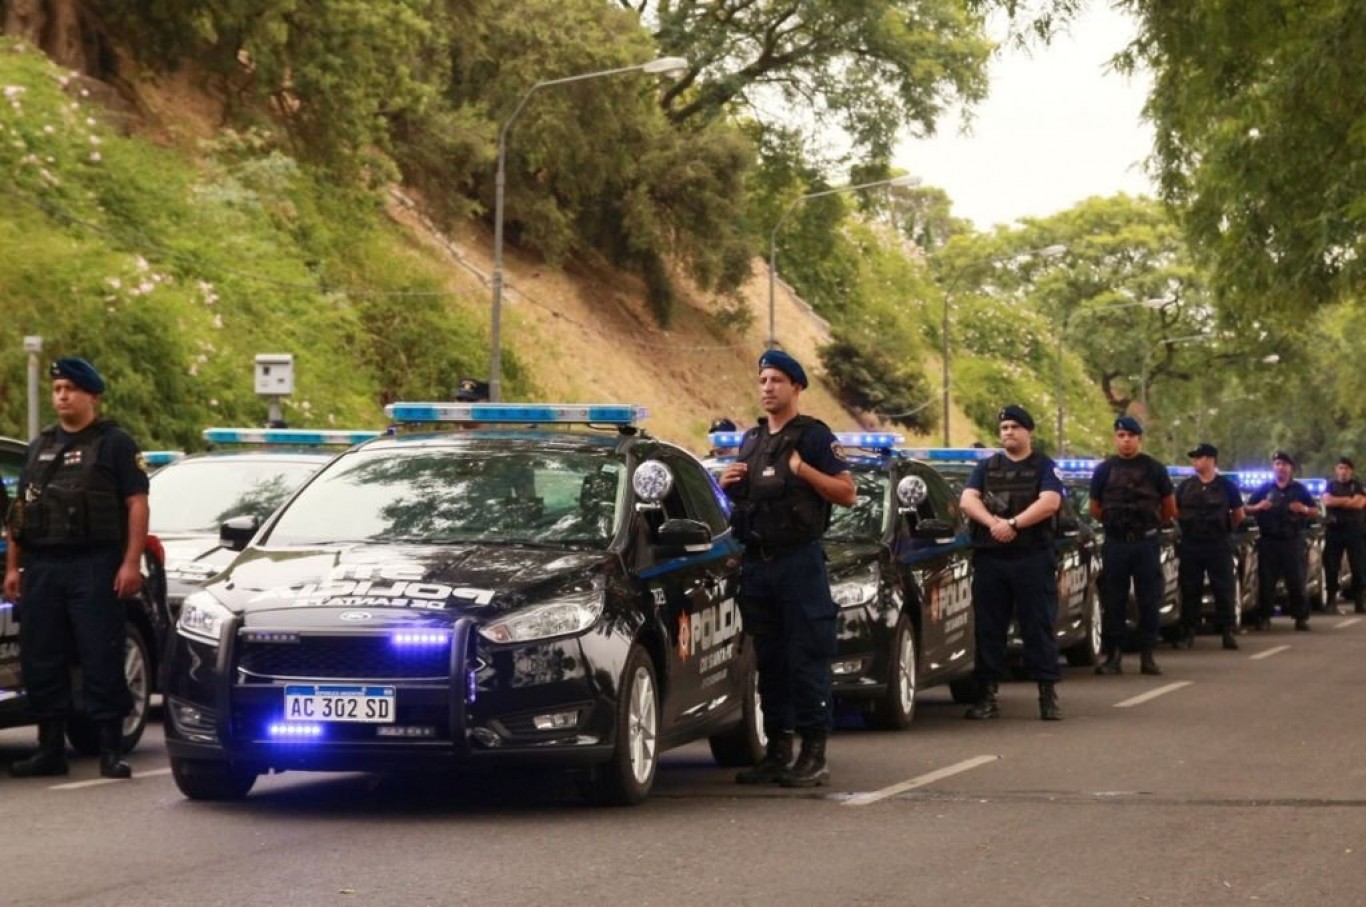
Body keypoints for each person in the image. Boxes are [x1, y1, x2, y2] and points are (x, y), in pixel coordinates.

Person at [5, 358, 149, 779]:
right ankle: (49, 749)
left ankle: (110, 749)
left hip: (95, 563)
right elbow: (21, 510)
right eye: (57, 389)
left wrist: (130, 562)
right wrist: (14, 567)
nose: (62, 395)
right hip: (45, 565)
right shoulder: (39, 446)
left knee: (101, 653)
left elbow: (136, 503)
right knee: (41, 656)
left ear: (93, 396)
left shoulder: (114, 444)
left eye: (70, 388)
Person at [719, 349, 855, 788]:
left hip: (799, 564)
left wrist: (804, 472)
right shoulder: (752, 440)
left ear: (796, 386)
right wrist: (726, 484)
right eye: (762, 380)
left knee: (807, 660)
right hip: (759, 565)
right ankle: (778, 751)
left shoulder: (813, 437)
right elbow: (741, 500)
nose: (767, 388)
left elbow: (846, 492)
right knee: (770, 661)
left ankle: (814, 754)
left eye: (777, 380)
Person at [959, 404, 1065, 721]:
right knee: (989, 628)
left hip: (1032, 557)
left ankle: (1047, 695)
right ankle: (987, 696)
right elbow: (967, 499)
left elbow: (1050, 502)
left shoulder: (1044, 465)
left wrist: (1014, 524)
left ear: (1027, 431)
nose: (1008, 432)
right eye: (1004, 428)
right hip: (992, 558)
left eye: (1014, 427)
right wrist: (994, 524)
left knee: (1038, 626)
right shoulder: (987, 466)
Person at [1089, 415, 1176, 676]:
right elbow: (1095, 508)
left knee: (1148, 599)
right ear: (1116, 438)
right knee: (1113, 600)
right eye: (1121, 436)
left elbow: (1169, 507)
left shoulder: (1154, 469)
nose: (1125, 440)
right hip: (1116, 543)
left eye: (1130, 436)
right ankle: (1114, 655)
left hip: (1145, 542)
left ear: (1139, 439)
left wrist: (1149, 526)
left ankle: (1147, 655)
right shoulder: (1104, 469)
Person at [1174, 442, 1246, 650]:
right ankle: (1188, 632)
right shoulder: (1186, 486)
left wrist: (1225, 529)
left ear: (1211, 460)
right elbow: (1175, 511)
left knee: (1223, 589)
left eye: (1199, 457)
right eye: (1194, 458)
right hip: (1191, 544)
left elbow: (1239, 514)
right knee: (1190, 589)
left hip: (1218, 543)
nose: (1195, 461)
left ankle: (1227, 631)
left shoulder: (1226, 486)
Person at [1247, 451, 1321, 630]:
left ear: (1291, 468)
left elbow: (1315, 510)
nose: (1280, 468)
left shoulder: (1299, 489)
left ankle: (1300, 618)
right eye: (1277, 464)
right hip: (1269, 541)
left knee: (1296, 581)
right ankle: (1264, 617)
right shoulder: (1264, 489)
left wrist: (1302, 508)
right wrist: (1258, 506)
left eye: (1284, 464)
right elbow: (1246, 508)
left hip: (1291, 540)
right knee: (1266, 581)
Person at [1321, 456, 1366, 614]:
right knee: (1331, 566)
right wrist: (1348, 500)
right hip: (1335, 531)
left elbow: (1360, 503)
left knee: (1359, 567)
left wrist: (1339, 501)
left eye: (1346, 468)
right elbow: (1327, 501)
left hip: (1355, 532)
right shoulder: (1330, 485)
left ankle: (1359, 601)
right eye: (1340, 468)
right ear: (1336, 470)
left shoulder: (1357, 485)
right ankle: (1331, 600)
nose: (1343, 471)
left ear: (1351, 471)